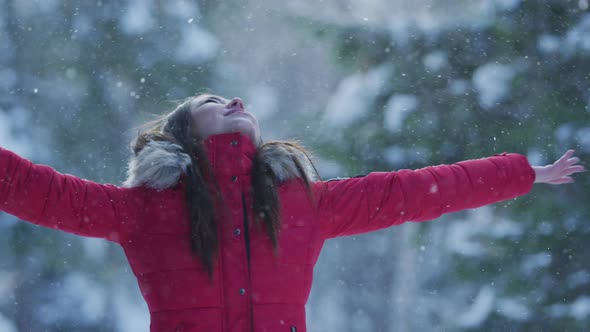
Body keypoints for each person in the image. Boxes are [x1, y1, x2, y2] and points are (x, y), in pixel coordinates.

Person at [0, 93, 584, 332]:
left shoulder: (302, 204)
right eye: (210, 101)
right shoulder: (140, 210)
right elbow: (32, 188)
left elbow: (416, 190)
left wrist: (519, 174)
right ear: (183, 133)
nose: (234, 101)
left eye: (235, 100)